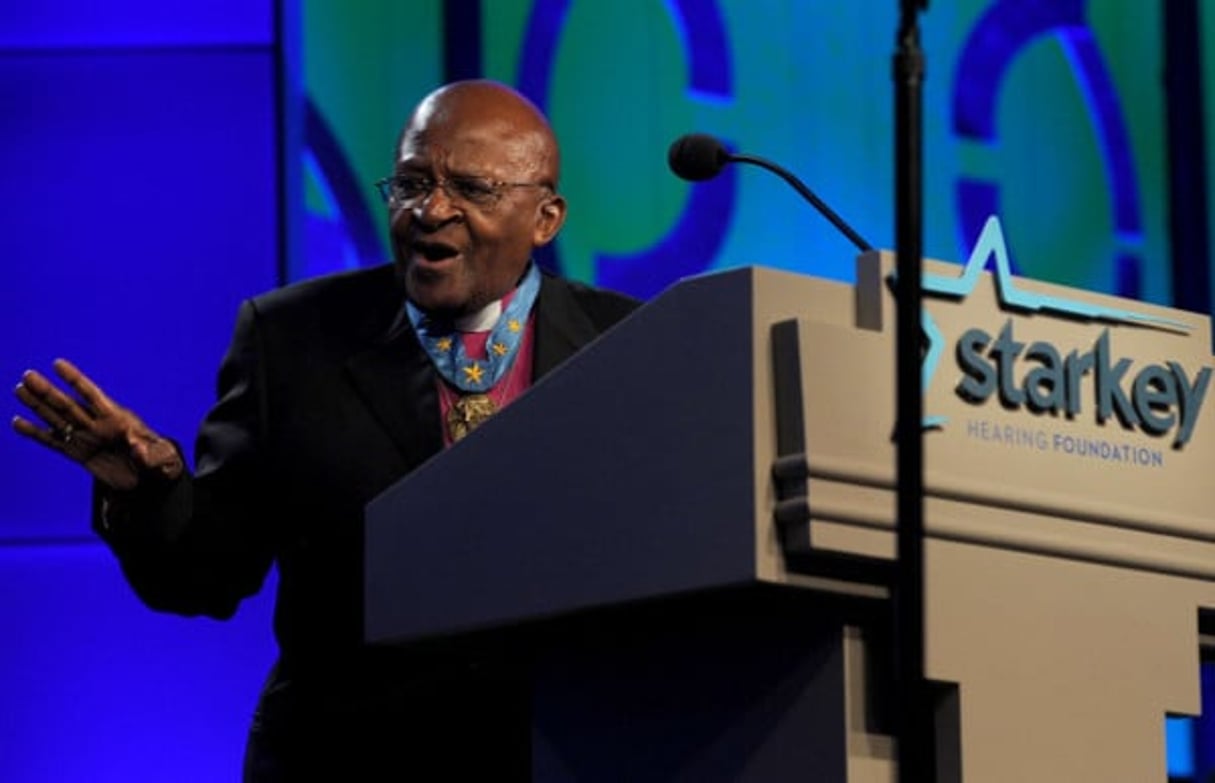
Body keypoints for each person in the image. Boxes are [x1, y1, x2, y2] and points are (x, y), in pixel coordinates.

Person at [12, 79, 639, 781]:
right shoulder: (288, 338)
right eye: (409, 183)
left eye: (472, 188)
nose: (431, 210)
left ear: (545, 217)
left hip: (562, 754)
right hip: (343, 756)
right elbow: (207, 577)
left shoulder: (626, 342)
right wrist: (148, 492)